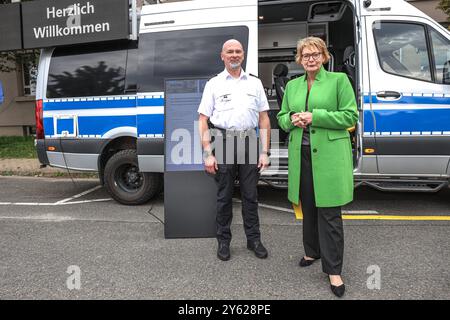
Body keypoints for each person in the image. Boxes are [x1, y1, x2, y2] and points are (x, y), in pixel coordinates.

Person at [277, 37, 358, 297]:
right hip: (301, 154)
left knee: (330, 213)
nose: (310, 59)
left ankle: (334, 271)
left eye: (315, 54)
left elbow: (350, 116)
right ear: (299, 59)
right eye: (305, 55)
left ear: (324, 57)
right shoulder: (292, 86)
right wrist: (291, 119)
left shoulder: (339, 81)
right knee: (308, 206)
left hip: (330, 156)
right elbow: (281, 118)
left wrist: (316, 117)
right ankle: (311, 251)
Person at [198, 39, 271, 261]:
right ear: (222, 56)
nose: (234, 55)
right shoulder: (214, 84)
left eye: (238, 51)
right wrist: (208, 153)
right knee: (224, 197)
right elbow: (202, 120)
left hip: (249, 140)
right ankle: (223, 241)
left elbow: (264, 119)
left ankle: (254, 240)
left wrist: (265, 151)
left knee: (251, 196)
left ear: (243, 55)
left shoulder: (255, 84)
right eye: (229, 51)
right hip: (222, 140)